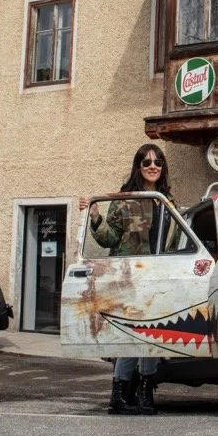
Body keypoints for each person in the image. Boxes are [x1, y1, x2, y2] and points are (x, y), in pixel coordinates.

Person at [79, 142, 173, 416]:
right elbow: (109, 237)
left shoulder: (168, 201)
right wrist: (94, 215)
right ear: (138, 166)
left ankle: (145, 392)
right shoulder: (124, 199)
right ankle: (119, 395)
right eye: (146, 162)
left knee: (153, 335)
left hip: (157, 276)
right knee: (131, 335)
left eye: (157, 162)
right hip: (128, 275)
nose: (152, 166)